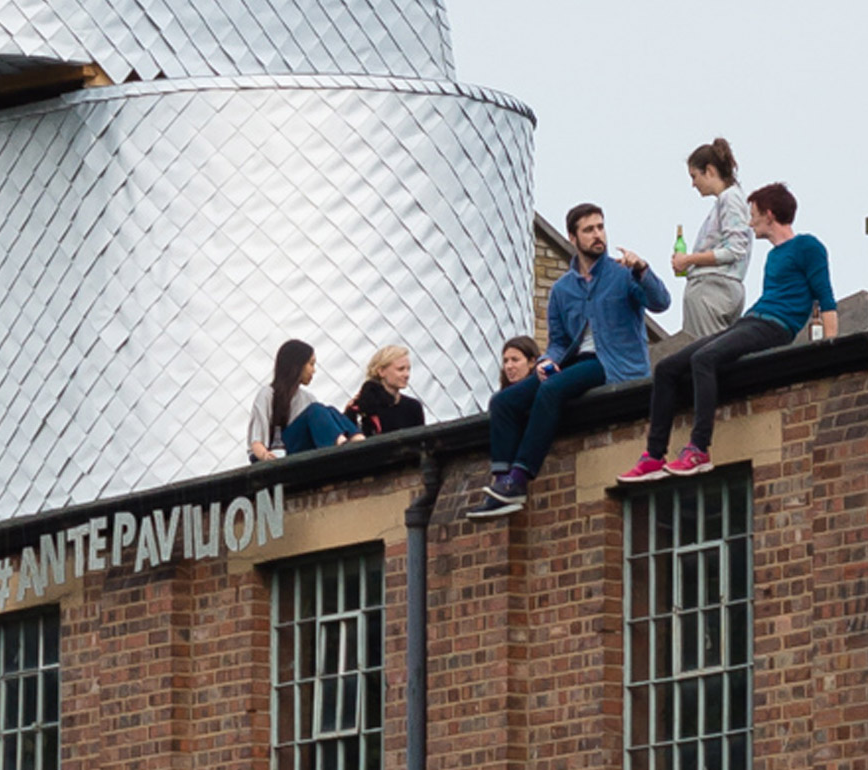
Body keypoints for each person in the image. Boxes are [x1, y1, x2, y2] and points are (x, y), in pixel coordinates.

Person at [622, 181, 836, 480]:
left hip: (776, 326)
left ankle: (698, 449)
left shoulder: (808, 246)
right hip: (751, 321)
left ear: (770, 215)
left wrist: (831, 349)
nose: (750, 222)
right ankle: (655, 456)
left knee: (705, 359)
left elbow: (826, 298)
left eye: (754, 215)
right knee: (668, 368)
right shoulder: (774, 256)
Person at [468, 205, 670, 518]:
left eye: (600, 227)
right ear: (573, 237)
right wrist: (547, 360)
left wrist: (642, 269)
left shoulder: (623, 274)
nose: (598, 235)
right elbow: (559, 341)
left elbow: (661, 302)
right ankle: (502, 482)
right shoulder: (562, 289)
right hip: (574, 361)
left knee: (552, 391)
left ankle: (520, 477)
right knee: (504, 402)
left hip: (613, 363)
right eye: (589, 230)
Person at [671, 136, 752, 339]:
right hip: (721, 288)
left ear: (710, 171)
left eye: (694, 176)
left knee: (706, 355)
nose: (693, 184)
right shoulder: (728, 200)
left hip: (712, 290)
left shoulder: (730, 198)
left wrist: (688, 260)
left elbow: (734, 249)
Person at [247, 340, 358, 461]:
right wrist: (265, 456)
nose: (314, 370)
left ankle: (358, 442)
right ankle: (343, 448)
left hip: (300, 452)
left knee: (329, 410)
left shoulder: (308, 398)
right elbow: (256, 441)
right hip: (273, 455)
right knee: (316, 410)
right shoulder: (268, 394)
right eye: (311, 364)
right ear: (297, 366)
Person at [347, 343, 426, 434]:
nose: (407, 374)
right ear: (381, 371)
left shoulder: (413, 407)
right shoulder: (363, 407)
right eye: (400, 369)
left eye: (408, 369)